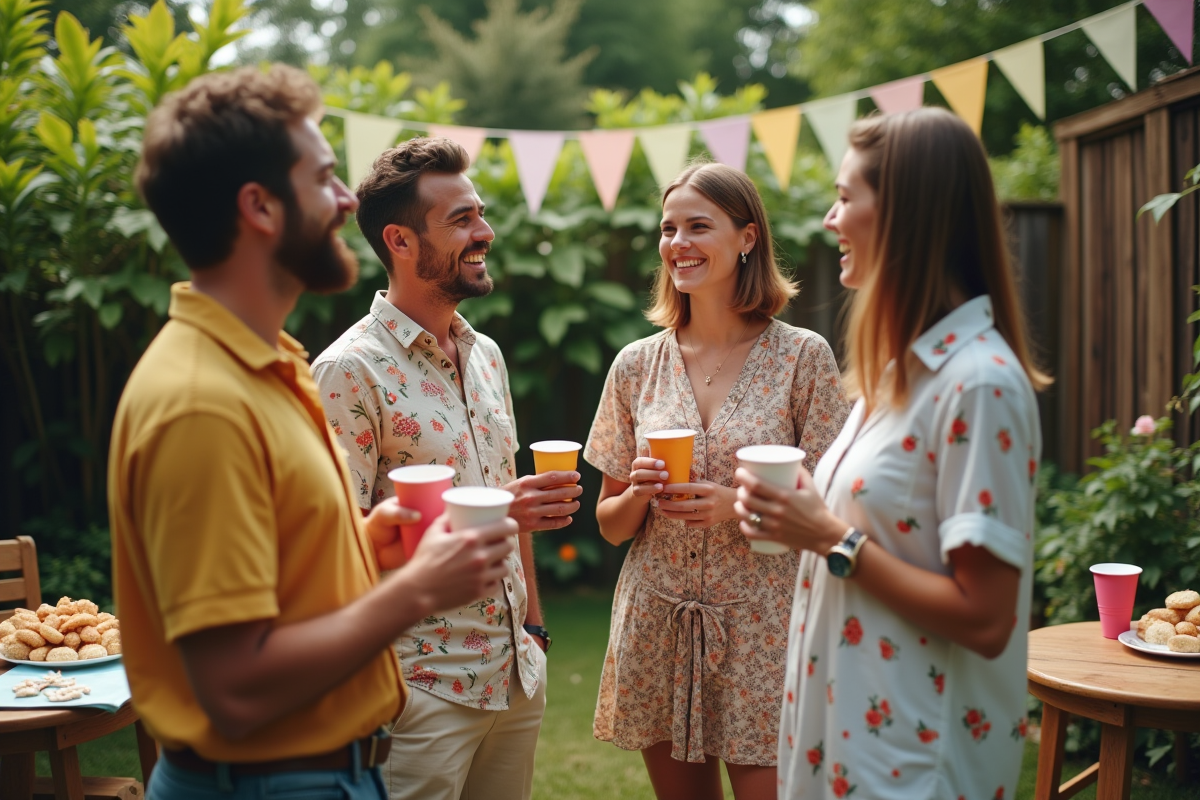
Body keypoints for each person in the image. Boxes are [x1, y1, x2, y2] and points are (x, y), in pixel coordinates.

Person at [108, 65, 519, 800]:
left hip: (319, 774)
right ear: (260, 206)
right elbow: (235, 687)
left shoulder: (271, 364)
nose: (343, 202)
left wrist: (367, 548)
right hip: (269, 782)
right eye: (325, 178)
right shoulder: (202, 401)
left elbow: (273, 582)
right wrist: (417, 591)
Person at [735, 107, 1050, 800]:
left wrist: (827, 536)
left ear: (907, 213)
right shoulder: (896, 381)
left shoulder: (980, 384)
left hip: (913, 764)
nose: (829, 218)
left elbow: (987, 618)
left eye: (847, 197)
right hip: (840, 746)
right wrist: (800, 516)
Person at [312, 136, 581, 800]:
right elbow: (335, 546)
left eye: (480, 214)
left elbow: (513, 513)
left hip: (515, 673)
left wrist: (535, 630)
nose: (484, 232)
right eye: (461, 219)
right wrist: (487, 512)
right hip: (419, 687)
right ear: (401, 242)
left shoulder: (486, 354)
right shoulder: (347, 371)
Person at [584, 161, 850, 800]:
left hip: (764, 626)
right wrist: (642, 493)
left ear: (747, 237)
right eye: (668, 227)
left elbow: (833, 508)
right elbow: (611, 525)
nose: (678, 243)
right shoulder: (635, 365)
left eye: (698, 226)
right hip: (657, 622)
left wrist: (737, 503)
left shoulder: (802, 357)